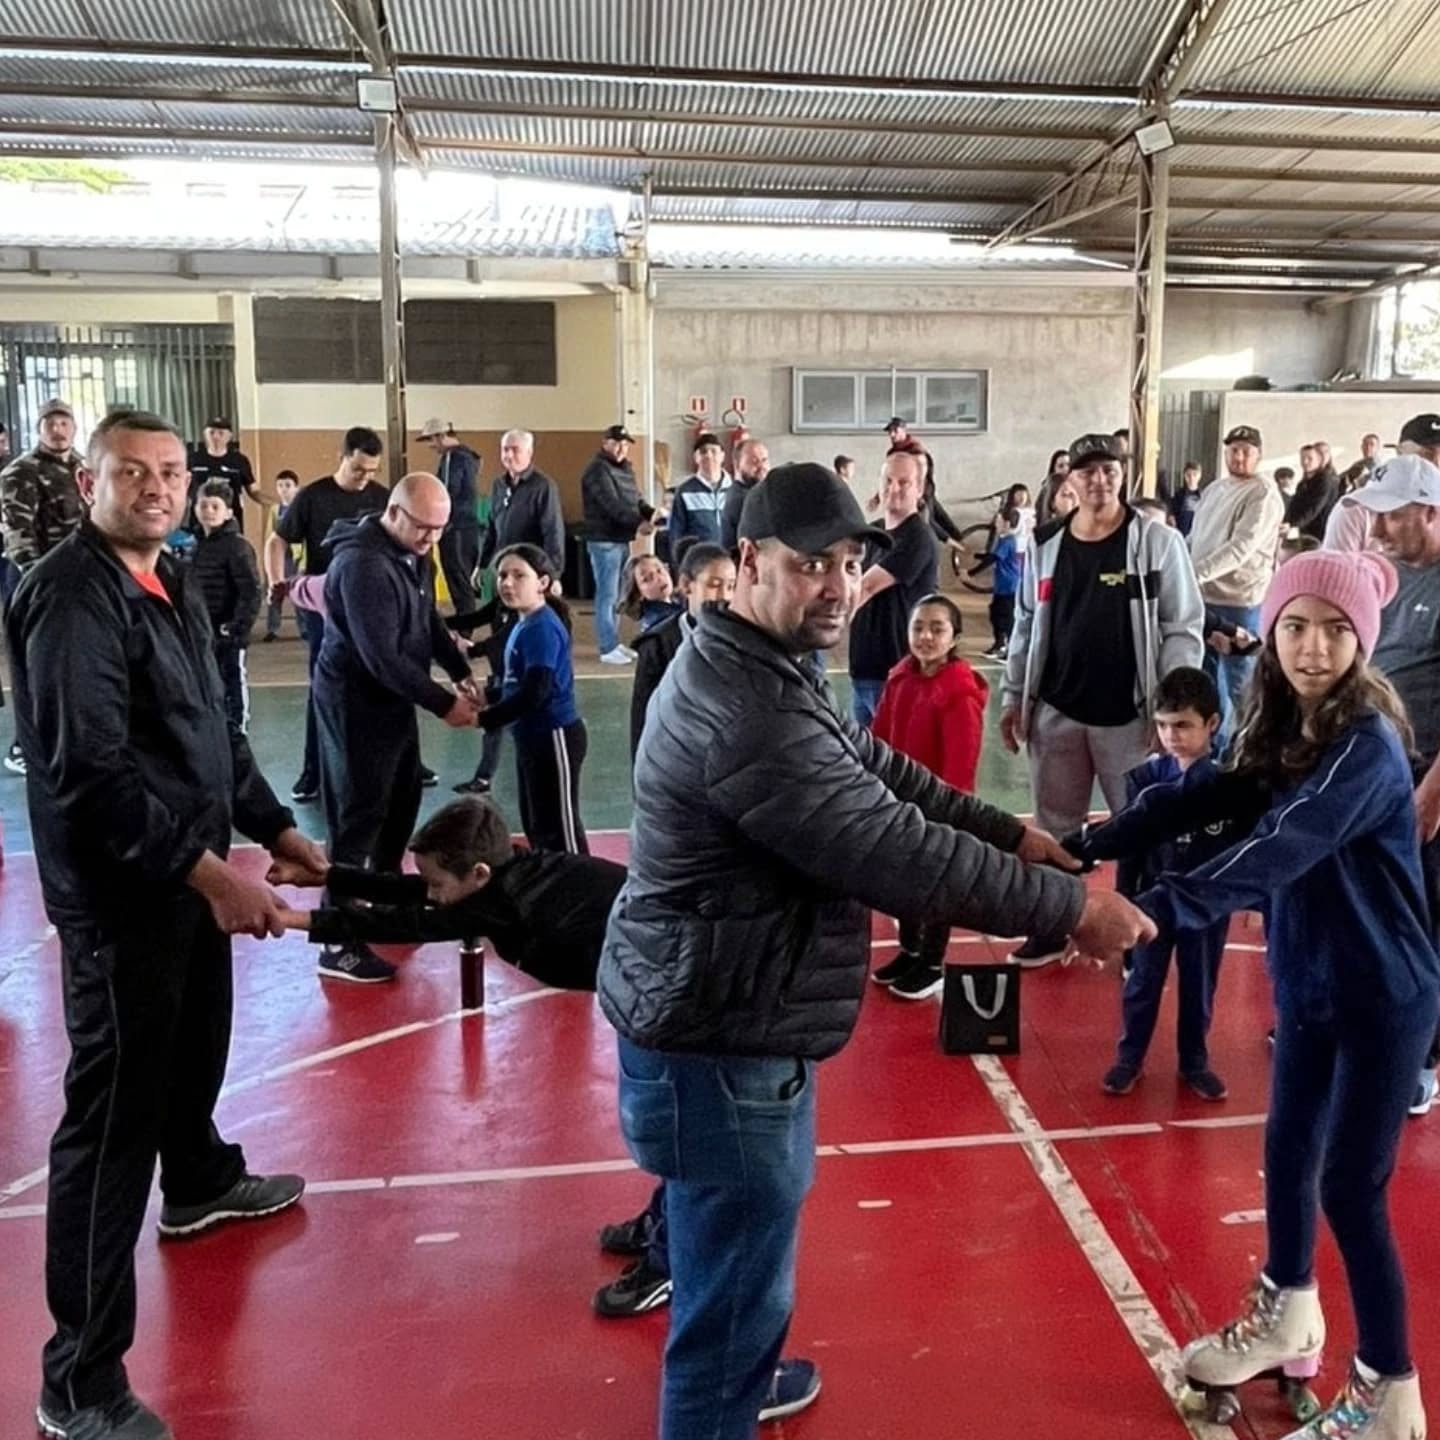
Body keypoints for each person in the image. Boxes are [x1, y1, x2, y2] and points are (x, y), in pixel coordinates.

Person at [598, 460, 1154, 1440]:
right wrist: (1070, 908)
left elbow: (869, 765)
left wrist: (1004, 829)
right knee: (732, 1283)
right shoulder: (750, 710)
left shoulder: (755, 659)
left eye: (849, 562)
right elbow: (891, 850)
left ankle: (738, 1374)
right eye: (810, 563)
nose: (836, 585)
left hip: (718, 1011)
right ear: (748, 560)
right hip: (721, 1039)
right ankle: (723, 1397)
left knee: (730, 1257)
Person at [7, 407, 326, 1440]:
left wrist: (276, 826)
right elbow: (91, 775)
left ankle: (197, 1182)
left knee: (193, 1054)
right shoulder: (70, 598)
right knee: (110, 1129)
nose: (156, 487)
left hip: (189, 876)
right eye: (132, 472)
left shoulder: (172, 577)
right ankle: (78, 1381)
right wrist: (213, 877)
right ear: (88, 483)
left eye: (171, 472)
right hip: (125, 899)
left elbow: (211, 728)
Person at [1123, 551, 1437, 1440]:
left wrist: (1152, 912)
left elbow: (1281, 846)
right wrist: (1090, 845)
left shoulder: (1365, 746)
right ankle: (1289, 1310)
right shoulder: (1287, 727)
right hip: (1310, 981)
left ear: (1362, 642)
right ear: (1270, 633)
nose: (1313, 647)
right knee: (1288, 1144)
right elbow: (1207, 796)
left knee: (1352, 1187)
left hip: (1383, 995)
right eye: (1295, 626)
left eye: (1336, 630)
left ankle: (1390, 1392)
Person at [1001, 432, 1204, 967]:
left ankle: (1140, 941)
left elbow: (1182, 627)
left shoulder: (1157, 544)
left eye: (1109, 469)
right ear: (1069, 479)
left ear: (1122, 475)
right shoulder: (1045, 544)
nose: (1099, 480)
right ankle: (1053, 926)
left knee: (1139, 829)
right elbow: (1025, 624)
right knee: (1054, 832)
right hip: (1056, 714)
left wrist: (1170, 709)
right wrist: (1013, 696)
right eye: (1087, 471)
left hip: (1130, 720)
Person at [312, 472, 479, 984]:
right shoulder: (362, 566)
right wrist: (443, 704)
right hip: (357, 703)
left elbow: (426, 617)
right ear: (393, 513)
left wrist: (459, 669)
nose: (432, 539)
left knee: (401, 799)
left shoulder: (411, 552)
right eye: (424, 527)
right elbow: (380, 657)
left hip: (393, 699)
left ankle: (382, 903)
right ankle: (337, 938)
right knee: (359, 814)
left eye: (439, 529)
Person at [1063, 667, 1234, 1101]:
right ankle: (1129, 1058)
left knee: (1199, 986)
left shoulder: (1230, 786)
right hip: (1150, 904)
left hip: (1205, 907)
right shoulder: (1143, 780)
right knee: (1141, 982)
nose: (1172, 736)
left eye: (1183, 725)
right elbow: (1130, 846)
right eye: (1163, 725)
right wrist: (1124, 900)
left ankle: (1194, 1062)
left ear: (1212, 724)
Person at [1342, 453, 1440, 1116]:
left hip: (1426, 778)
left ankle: (1424, 1057)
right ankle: (1366, 1030)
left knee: (1426, 920)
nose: (1377, 531)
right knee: (1375, 913)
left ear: (1430, 512)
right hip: (1379, 774)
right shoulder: (1385, 576)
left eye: (1392, 517)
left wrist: (1432, 794)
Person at [870, 593, 989, 1000]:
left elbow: (961, 764)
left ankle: (933, 962)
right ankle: (910, 950)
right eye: (918, 627)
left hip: (938, 810)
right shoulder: (899, 676)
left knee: (937, 884)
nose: (925, 636)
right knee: (901, 882)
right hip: (897, 803)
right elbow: (879, 738)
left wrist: (948, 813)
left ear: (954, 638)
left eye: (937, 629)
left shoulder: (960, 692)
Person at [265, 427, 390, 803]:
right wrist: (277, 581)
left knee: (382, 684)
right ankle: (313, 772)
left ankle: (400, 764)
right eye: (358, 468)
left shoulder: (382, 498)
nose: (365, 477)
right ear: (342, 458)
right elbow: (277, 540)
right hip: (325, 608)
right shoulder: (313, 497)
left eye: (371, 470)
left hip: (370, 609)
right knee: (324, 688)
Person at [477, 543, 588, 854]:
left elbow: (537, 691)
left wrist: (484, 718)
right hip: (530, 736)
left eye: (518, 575)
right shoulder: (524, 623)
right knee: (537, 823)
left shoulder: (542, 627)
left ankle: (580, 881)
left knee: (561, 830)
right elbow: (519, 685)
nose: (507, 583)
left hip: (554, 736)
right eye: (502, 576)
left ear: (542, 583)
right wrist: (487, 696)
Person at [1187, 424, 1286, 752]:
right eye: (1233, 450)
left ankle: (1252, 751)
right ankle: (1215, 749)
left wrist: (1194, 574)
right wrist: (1178, 562)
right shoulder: (1215, 488)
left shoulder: (1263, 493)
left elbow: (1241, 547)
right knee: (1207, 680)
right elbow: (1196, 536)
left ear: (1259, 455)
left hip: (1239, 601)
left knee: (1241, 683)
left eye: (1246, 451)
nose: (1238, 456)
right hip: (1203, 596)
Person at [0, 397, 84, 777]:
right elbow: (18, 533)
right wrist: (38, 582)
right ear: (39, 429)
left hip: (79, 581)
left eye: (64, 422)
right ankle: (26, 747)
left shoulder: (84, 467)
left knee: (73, 665)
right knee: (36, 666)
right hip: (34, 582)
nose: (58, 429)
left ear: (74, 427)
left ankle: (69, 740)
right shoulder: (20, 472)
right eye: (50, 423)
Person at [847, 448, 938, 728]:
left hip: (894, 674)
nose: (893, 488)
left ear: (919, 489)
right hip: (863, 672)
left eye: (904, 482)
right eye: (888, 480)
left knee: (893, 753)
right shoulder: (871, 534)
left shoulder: (918, 537)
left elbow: (865, 587)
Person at [630, 541, 736, 760]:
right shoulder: (658, 645)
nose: (724, 596)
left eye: (731, 586)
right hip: (678, 758)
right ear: (687, 585)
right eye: (714, 585)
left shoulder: (745, 640)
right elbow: (642, 717)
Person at [191, 479, 262, 738]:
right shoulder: (195, 545)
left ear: (228, 512)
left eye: (215, 506)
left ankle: (238, 732)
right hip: (201, 630)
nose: (208, 511)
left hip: (227, 632)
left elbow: (251, 591)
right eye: (203, 505)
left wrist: (237, 628)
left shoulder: (238, 547)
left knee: (232, 679)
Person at [581, 424, 656, 666]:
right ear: (605, 444)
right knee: (607, 594)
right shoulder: (597, 471)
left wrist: (652, 514)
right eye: (616, 443)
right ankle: (607, 647)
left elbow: (636, 500)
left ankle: (613, 642)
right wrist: (639, 524)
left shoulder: (626, 468)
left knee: (617, 594)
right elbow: (612, 505)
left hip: (621, 539)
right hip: (603, 540)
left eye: (625, 444)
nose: (622, 448)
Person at [478, 428, 566, 579]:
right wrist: (481, 565)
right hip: (502, 566)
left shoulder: (544, 486)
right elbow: (491, 530)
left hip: (530, 569)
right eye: (505, 450)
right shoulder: (498, 485)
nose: (509, 455)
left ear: (529, 453)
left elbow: (553, 533)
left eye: (515, 450)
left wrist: (553, 575)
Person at [418, 417, 481, 619]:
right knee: (462, 579)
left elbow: (445, 492)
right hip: (467, 527)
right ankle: (466, 625)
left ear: (441, 436)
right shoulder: (469, 457)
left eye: (431, 440)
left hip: (455, 528)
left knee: (457, 579)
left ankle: (464, 629)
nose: (431, 446)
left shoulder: (452, 458)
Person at [185, 417, 261, 532]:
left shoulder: (239, 460)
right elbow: (181, 487)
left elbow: (254, 490)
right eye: (211, 432)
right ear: (205, 434)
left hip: (230, 523)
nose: (216, 437)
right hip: (199, 523)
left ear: (229, 436)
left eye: (221, 433)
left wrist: (275, 504)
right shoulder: (193, 459)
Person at [667, 432, 733, 553]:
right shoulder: (684, 492)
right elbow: (676, 534)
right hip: (699, 559)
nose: (708, 456)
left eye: (714, 451)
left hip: (731, 559)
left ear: (722, 456)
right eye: (703, 452)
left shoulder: (735, 489)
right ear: (696, 458)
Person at [263, 470, 301, 640]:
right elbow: (270, 534)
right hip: (280, 556)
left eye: (288, 485)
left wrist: (304, 560)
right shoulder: (275, 510)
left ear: (296, 488)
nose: (284, 489)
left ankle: (304, 628)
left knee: (299, 592)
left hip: (296, 556)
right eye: (280, 485)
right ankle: (273, 629)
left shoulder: (300, 508)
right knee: (275, 591)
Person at [718, 437, 771, 552]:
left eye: (764, 460)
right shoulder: (743, 498)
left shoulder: (759, 493)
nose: (761, 467)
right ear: (737, 465)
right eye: (754, 462)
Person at [984, 506, 1021, 660]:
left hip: (1009, 586)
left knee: (1006, 618)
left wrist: (970, 573)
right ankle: (999, 643)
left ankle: (1010, 648)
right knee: (995, 613)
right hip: (1002, 586)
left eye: (998, 521)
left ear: (1006, 523)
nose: (995, 524)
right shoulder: (1004, 540)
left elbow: (993, 558)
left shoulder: (1008, 541)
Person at [1287, 441, 1341, 545]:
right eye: (1302, 458)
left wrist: (1293, 524)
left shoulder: (1325, 480)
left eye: (1309, 458)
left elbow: (1314, 507)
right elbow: (1294, 505)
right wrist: (1287, 522)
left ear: (1318, 460)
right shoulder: (1304, 482)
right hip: (1306, 531)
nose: (1305, 462)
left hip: (1320, 534)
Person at [619, 552, 685, 634]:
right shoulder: (660, 620)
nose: (659, 578)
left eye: (659, 570)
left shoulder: (678, 601)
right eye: (647, 579)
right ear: (638, 594)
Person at [1169, 461, 1204, 537]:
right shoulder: (1178, 495)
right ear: (1184, 476)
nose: (1191, 478)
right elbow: (1172, 513)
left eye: (1194, 474)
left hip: (1198, 533)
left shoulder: (1204, 495)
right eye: (1188, 475)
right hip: (1181, 532)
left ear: (1199, 476)